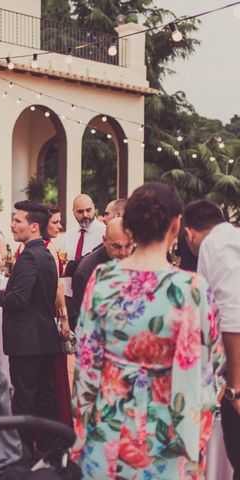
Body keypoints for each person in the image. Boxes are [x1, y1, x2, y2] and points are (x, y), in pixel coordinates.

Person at [72, 182, 222, 479]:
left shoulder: (102, 280)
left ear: (127, 226)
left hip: (109, 428)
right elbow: (208, 367)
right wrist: (197, 435)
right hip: (169, 432)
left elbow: (86, 363)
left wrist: (82, 433)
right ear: (176, 225)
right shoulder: (190, 288)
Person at [0, 201, 60, 454]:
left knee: (25, 397)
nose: (12, 224)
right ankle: (46, 443)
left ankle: (22, 449)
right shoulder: (44, 252)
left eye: (17, 220)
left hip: (27, 341)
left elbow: (18, 299)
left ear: (33, 227)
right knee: (42, 394)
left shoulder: (30, 255)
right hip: (43, 337)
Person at [183, 199, 240, 478]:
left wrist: (235, 386)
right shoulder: (232, 237)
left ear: (188, 233)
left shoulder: (213, 245)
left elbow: (233, 312)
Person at [69, 217, 134, 328]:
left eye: (128, 245)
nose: (124, 253)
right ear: (104, 240)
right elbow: (82, 320)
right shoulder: (86, 272)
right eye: (117, 246)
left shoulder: (139, 260)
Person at [42, 205, 73, 428]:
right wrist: (64, 319)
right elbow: (58, 287)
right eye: (55, 222)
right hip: (49, 318)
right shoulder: (48, 248)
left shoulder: (32, 247)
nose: (60, 226)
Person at [60, 194, 106, 324]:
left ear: (94, 209)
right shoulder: (68, 236)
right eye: (80, 211)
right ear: (73, 212)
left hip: (94, 297)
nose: (85, 214)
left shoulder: (105, 233)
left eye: (88, 210)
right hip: (69, 297)